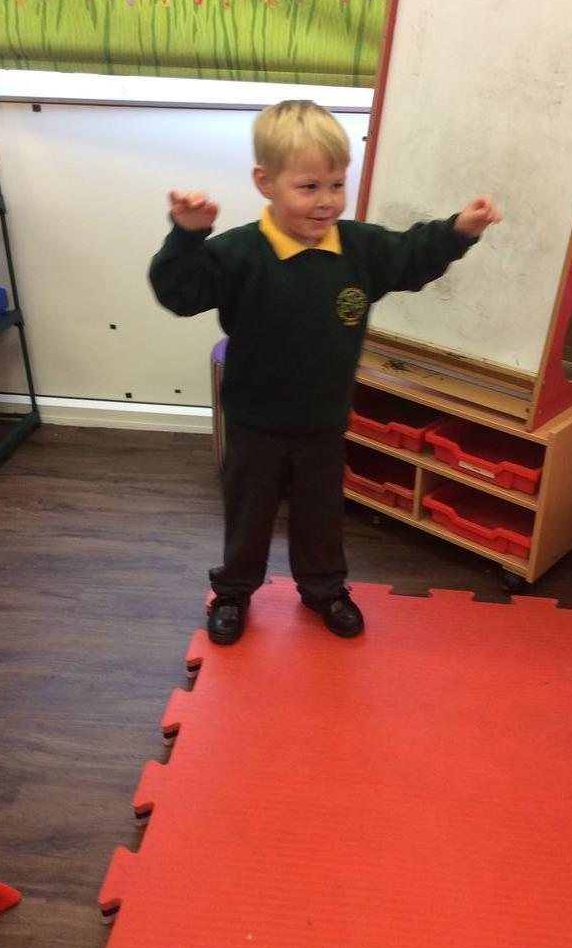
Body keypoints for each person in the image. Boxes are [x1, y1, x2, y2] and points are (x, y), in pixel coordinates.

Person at [149, 100, 501, 646]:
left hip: (323, 422)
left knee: (321, 514)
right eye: (308, 187)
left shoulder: (359, 248)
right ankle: (234, 591)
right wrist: (186, 235)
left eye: (336, 185)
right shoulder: (239, 253)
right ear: (265, 182)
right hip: (254, 421)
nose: (326, 201)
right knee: (249, 515)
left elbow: (412, 254)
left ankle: (324, 589)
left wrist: (459, 230)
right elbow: (180, 293)